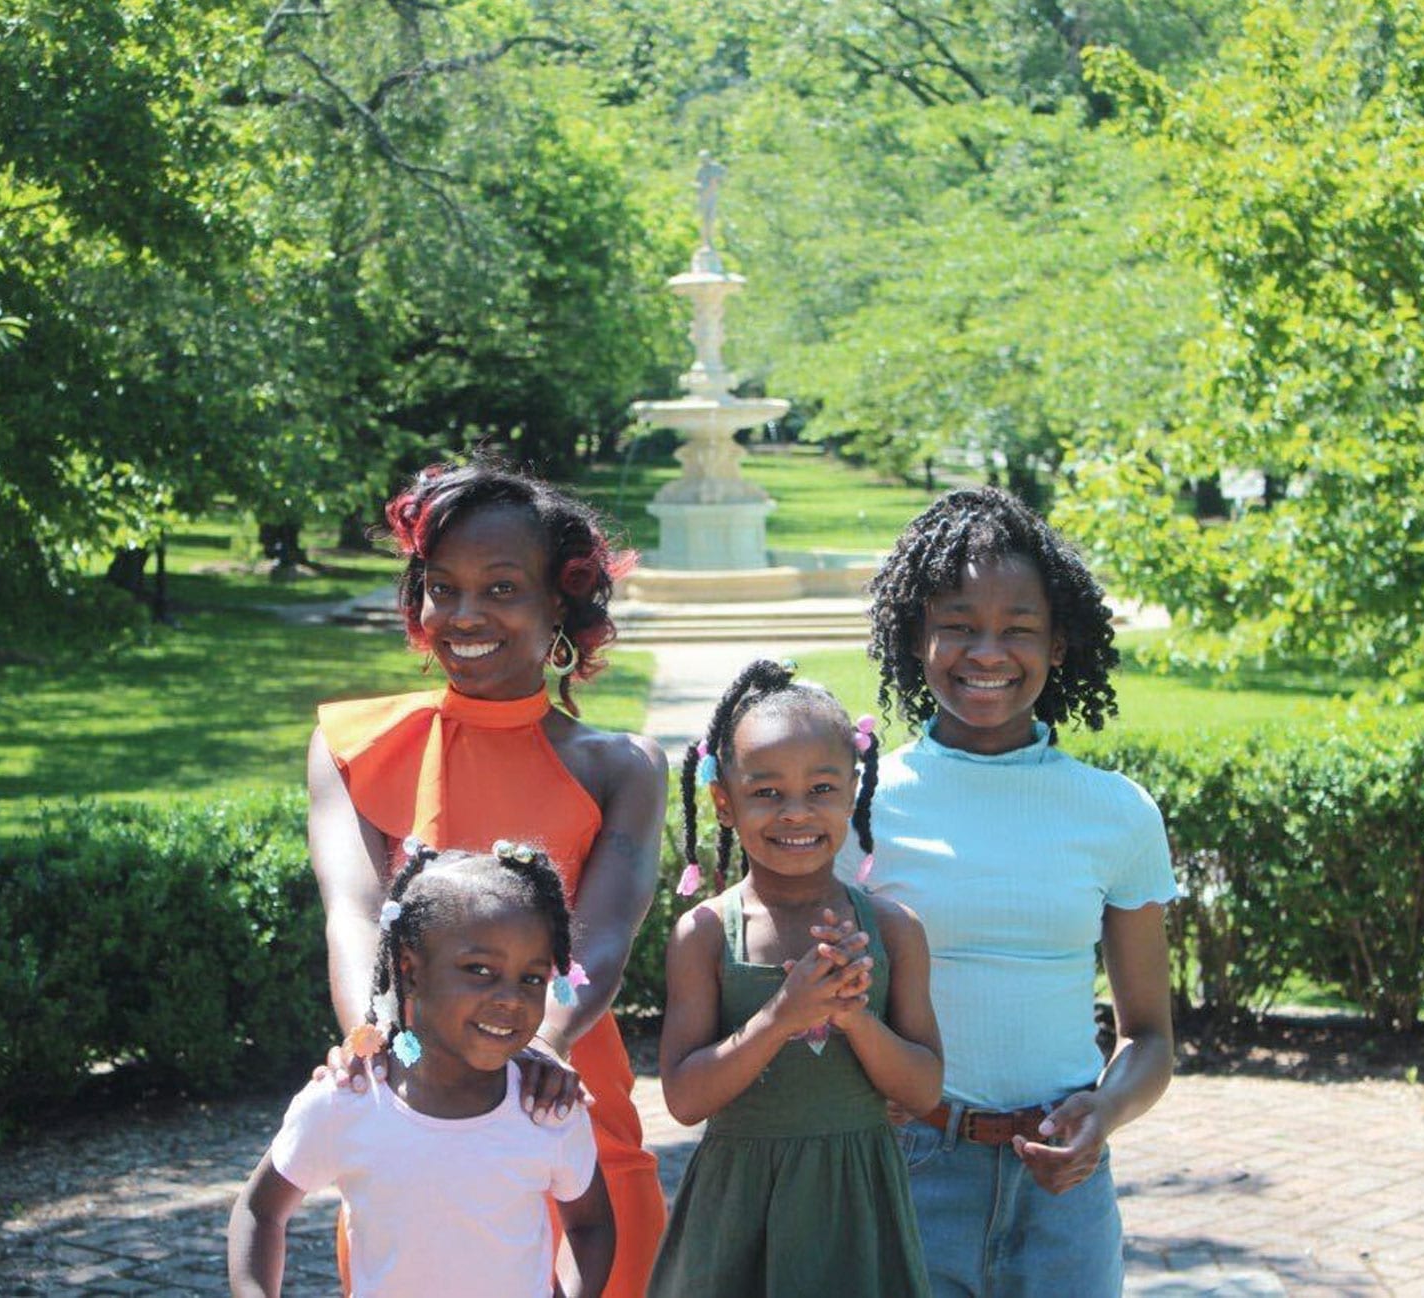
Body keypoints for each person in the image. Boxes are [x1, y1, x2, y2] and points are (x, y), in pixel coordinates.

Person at [307, 458, 668, 1297]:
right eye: (443, 587)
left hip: (564, 1096)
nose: (464, 615)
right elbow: (353, 916)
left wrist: (538, 1043)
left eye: (502, 589)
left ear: (560, 607)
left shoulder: (621, 768)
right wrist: (377, 1044)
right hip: (411, 1102)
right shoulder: (354, 747)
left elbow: (602, 938)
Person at [855, 486, 1177, 1296]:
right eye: (957, 624)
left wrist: (1100, 1115)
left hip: (1063, 1188)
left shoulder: (1115, 812)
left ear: (1059, 643)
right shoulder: (861, 806)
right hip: (908, 1171)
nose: (987, 652)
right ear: (915, 638)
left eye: (1019, 629)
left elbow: (1150, 1038)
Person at [648, 659, 941, 1298]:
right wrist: (781, 1014)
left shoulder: (893, 930)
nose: (796, 814)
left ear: (855, 790)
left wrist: (853, 1015)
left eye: (822, 790)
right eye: (767, 792)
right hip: (738, 1216)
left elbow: (923, 1090)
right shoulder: (703, 935)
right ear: (724, 803)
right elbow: (686, 1099)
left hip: (858, 1211)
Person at [229, 845, 615, 1297]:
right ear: (410, 971)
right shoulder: (347, 1100)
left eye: (531, 977)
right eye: (480, 969)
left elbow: (591, 1226)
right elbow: (260, 1211)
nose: (511, 997)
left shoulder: (548, 1110)